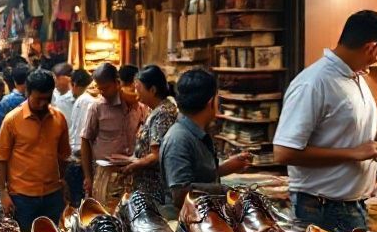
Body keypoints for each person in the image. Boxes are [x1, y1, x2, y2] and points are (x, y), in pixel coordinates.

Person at [273, 10, 377, 232]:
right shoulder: (314, 83)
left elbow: (337, 132)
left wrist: (372, 137)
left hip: (349, 205)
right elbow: (284, 152)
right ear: (370, 47)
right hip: (324, 209)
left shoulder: (355, 77)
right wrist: (354, 152)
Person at [160, 68, 253, 210]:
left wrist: (226, 168)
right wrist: (223, 190)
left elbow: (198, 175)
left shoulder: (197, 133)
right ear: (211, 102)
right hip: (188, 224)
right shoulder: (178, 138)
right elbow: (180, 193)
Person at [0, 69, 70, 232]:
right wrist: (3, 192)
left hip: (52, 195)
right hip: (22, 198)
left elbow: (64, 156)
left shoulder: (59, 119)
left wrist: (62, 182)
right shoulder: (12, 120)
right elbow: (1, 158)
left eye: (47, 98)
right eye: (38, 99)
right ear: (28, 92)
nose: (43, 103)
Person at [80, 63, 146, 207]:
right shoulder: (97, 108)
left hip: (132, 174)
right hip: (105, 175)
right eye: (100, 88)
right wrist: (88, 177)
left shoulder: (136, 106)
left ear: (117, 83)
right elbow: (85, 140)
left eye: (106, 88)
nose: (102, 92)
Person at [120, 65, 178, 203]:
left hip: (154, 188)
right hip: (146, 186)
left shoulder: (163, 113)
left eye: (138, 88)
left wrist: (133, 165)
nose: (135, 92)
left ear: (152, 90)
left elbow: (157, 155)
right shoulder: (156, 110)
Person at [65, 69, 96, 208]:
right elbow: (82, 138)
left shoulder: (84, 100)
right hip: (80, 162)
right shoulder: (87, 100)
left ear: (75, 84)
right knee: (81, 205)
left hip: (78, 160)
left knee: (79, 205)